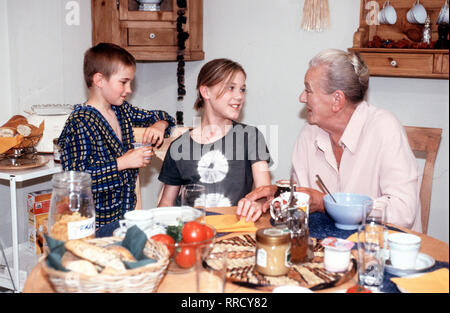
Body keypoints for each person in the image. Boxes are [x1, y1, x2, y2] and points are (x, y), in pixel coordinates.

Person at [239, 49, 421, 231]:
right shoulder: (309, 134)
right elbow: (304, 203)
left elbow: (403, 211)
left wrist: (329, 205)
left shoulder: (384, 128)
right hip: (326, 250)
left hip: (382, 249)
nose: (302, 98)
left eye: (308, 90)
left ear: (337, 100)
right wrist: (282, 196)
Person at [58, 42, 176, 227]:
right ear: (99, 80)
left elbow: (163, 116)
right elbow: (77, 181)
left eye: (130, 83)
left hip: (124, 218)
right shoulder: (80, 122)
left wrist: (160, 125)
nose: (129, 90)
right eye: (123, 82)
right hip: (92, 224)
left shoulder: (122, 111)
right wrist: (123, 163)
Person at [158, 58, 272, 222]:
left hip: (235, 232)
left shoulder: (251, 137)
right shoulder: (179, 147)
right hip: (192, 232)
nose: (239, 96)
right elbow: (166, 203)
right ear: (205, 92)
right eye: (231, 88)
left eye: (242, 89)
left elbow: (263, 192)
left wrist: (257, 203)